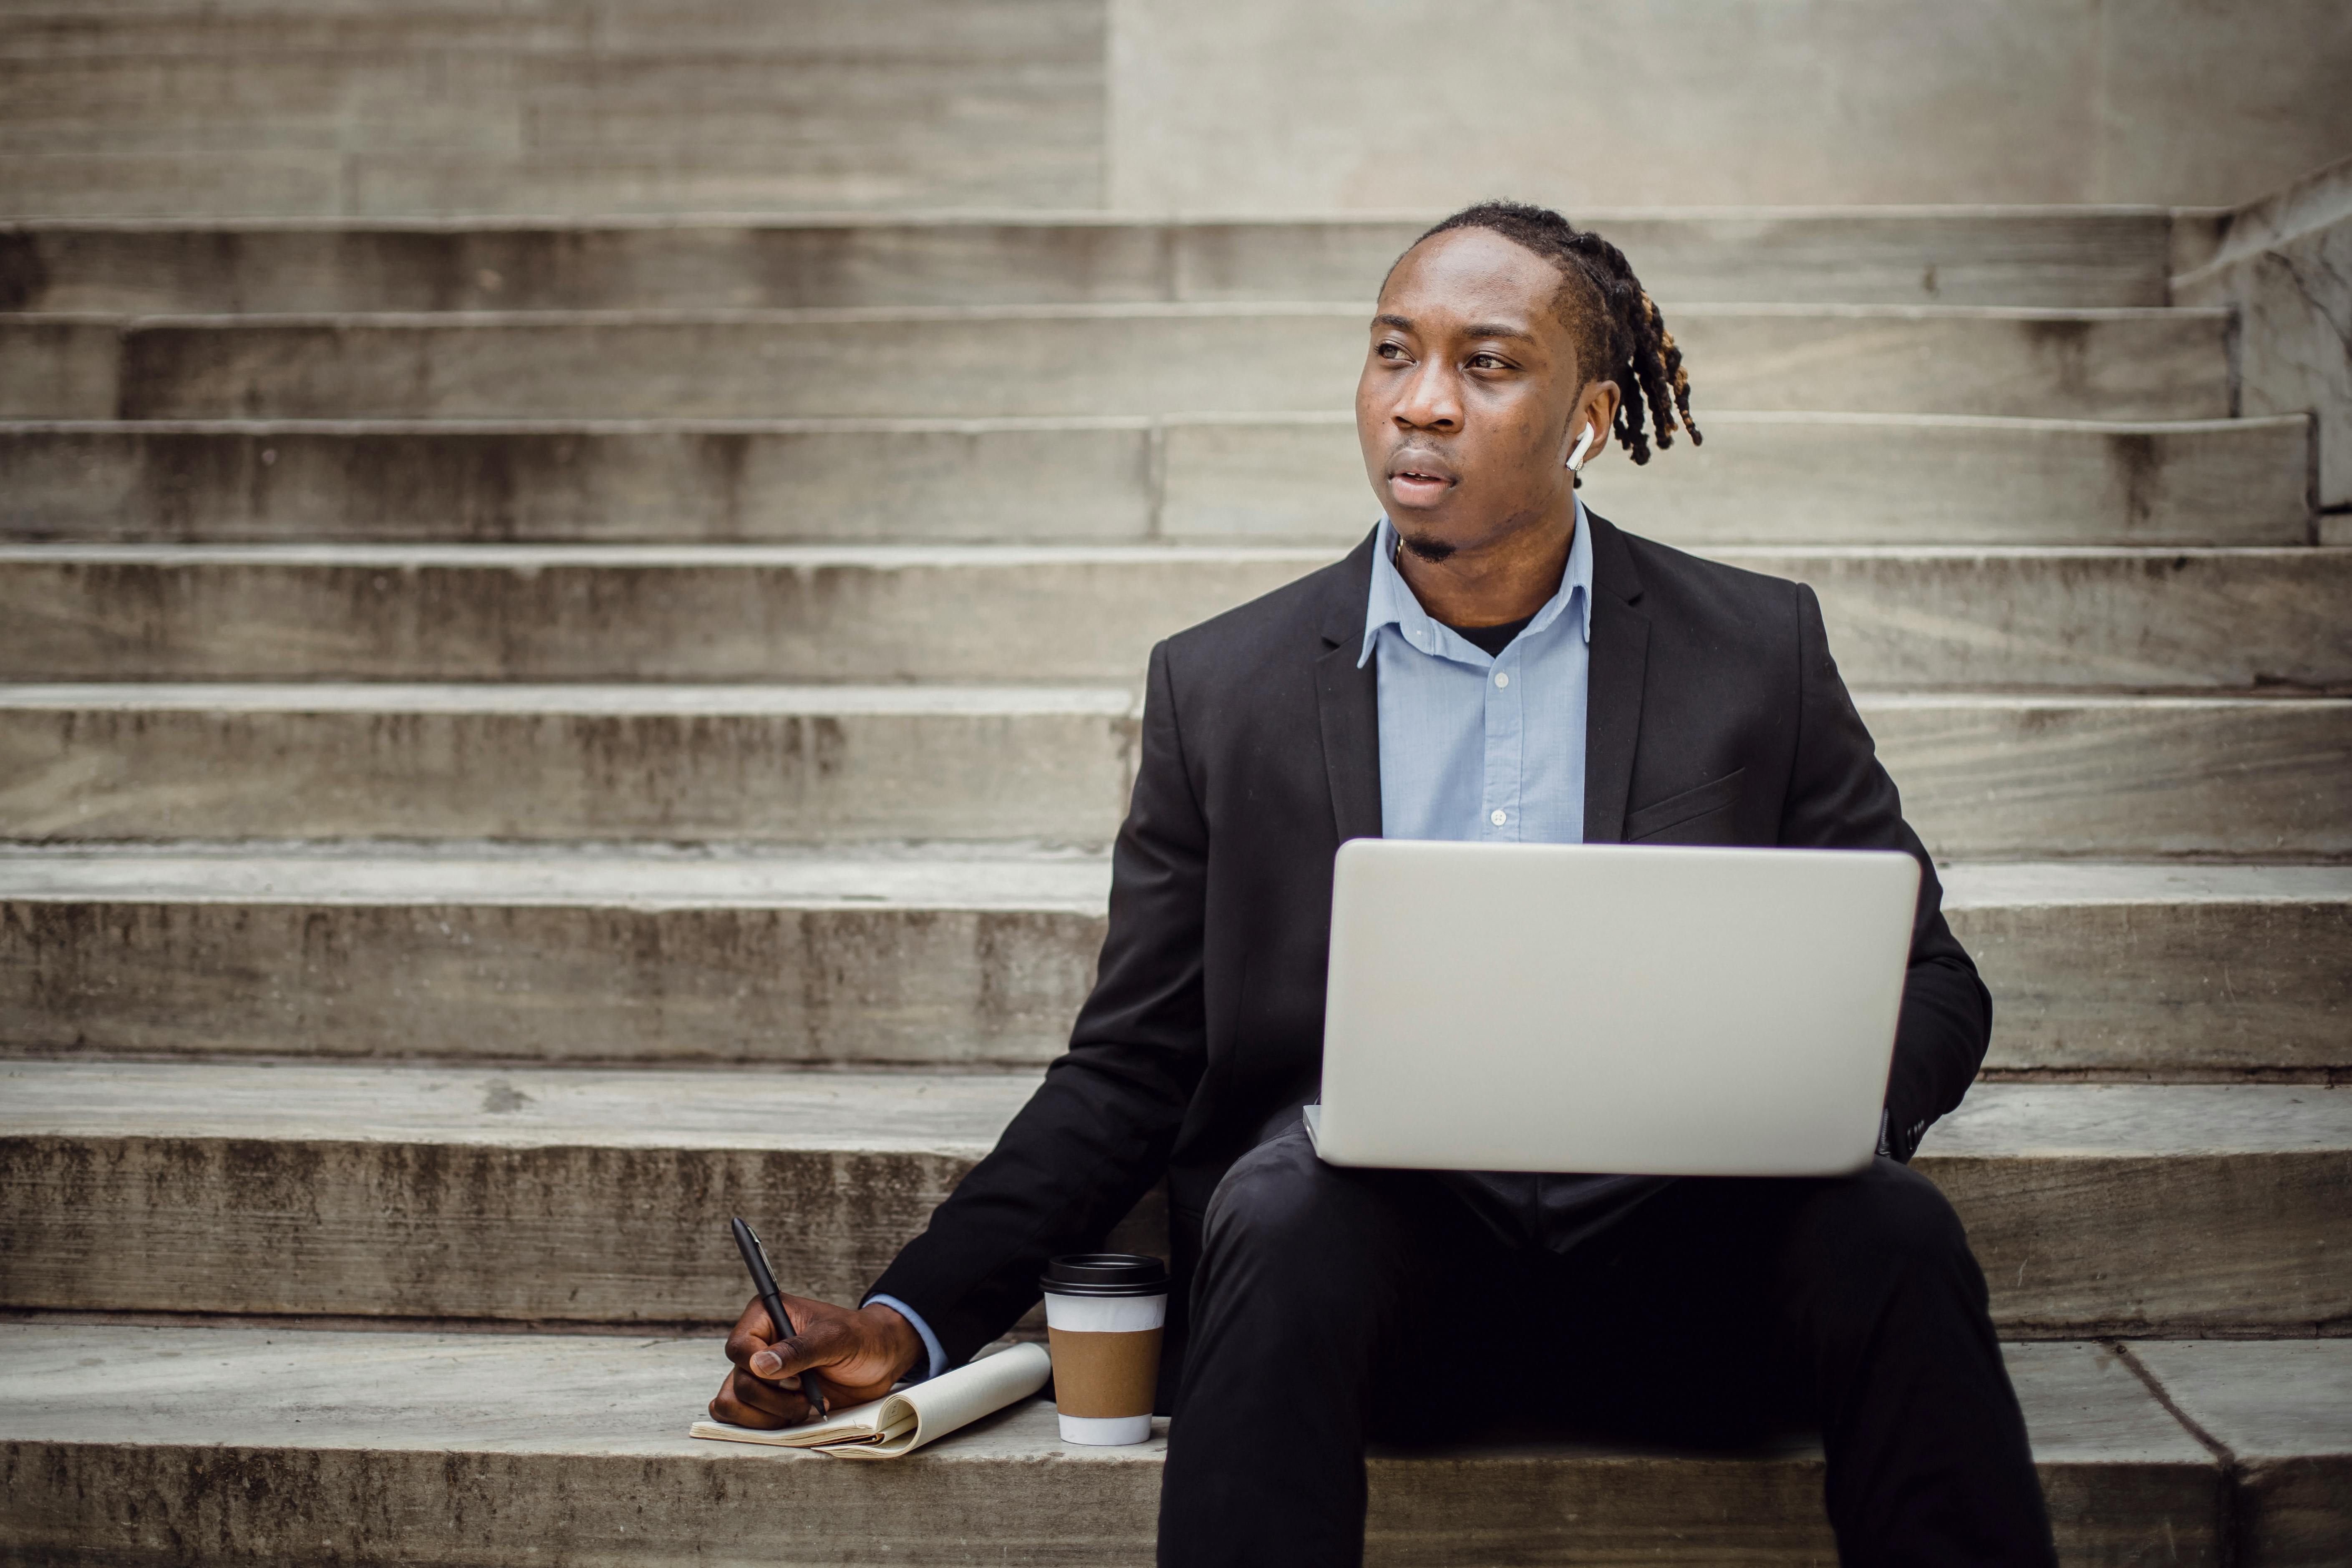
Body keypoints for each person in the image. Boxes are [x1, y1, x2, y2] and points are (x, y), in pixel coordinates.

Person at [708, 199, 2058, 1568]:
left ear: (1590, 415)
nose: (1421, 405)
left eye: (1486, 364)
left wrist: (1824, 1117)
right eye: (1392, 353)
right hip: (1363, 1303)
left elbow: (1932, 982)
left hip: (1693, 1285)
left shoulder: (1753, 650)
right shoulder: (1222, 689)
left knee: (1893, 1231)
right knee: (1283, 1197)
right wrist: (909, 1317)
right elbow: (1132, 1066)